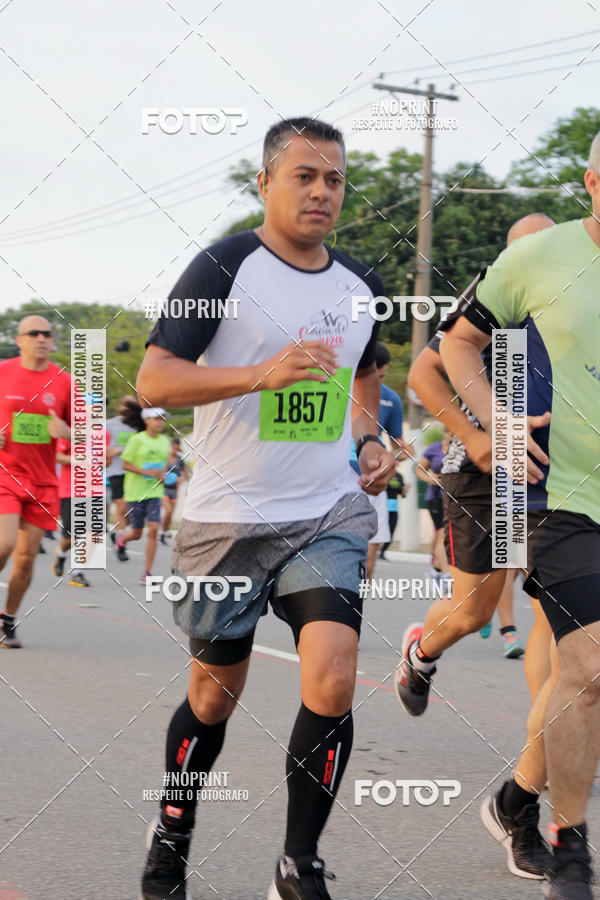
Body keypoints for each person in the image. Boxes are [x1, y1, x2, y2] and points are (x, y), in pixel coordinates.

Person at [137, 116, 395, 900]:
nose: (322, 193)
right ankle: (174, 826)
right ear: (267, 183)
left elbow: (366, 374)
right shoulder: (223, 266)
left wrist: (371, 437)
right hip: (225, 519)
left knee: (335, 676)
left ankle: (299, 861)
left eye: (335, 180)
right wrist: (259, 374)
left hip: (324, 514)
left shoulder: (360, 285)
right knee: (214, 694)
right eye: (304, 177)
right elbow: (155, 382)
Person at [439, 140, 600, 899]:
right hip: (553, 494)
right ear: (591, 180)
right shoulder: (538, 259)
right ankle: (571, 845)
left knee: (576, 669)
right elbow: (452, 346)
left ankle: (515, 800)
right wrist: (489, 426)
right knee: (586, 665)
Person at [400, 213, 556, 882]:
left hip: (557, 483)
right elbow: (424, 372)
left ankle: (532, 791)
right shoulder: (491, 297)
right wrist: (484, 433)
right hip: (484, 474)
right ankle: (422, 649)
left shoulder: (578, 294)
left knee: (570, 649)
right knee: (473, 611)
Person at [0, 316, 72, 648]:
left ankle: (7, 619)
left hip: (43, 483)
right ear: (20, 339)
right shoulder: (3, 372)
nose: (42, 338)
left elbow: (87, 436)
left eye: (47, 333)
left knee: (26, 559)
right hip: (6, 473)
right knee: (4, 543)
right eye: (34, 333)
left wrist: (68, 432)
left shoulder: (64, 382)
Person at [349, 341, 407, 580]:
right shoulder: (335, 387)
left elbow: (399, 447)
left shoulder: (392, 400)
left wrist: (399, 455)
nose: (378, 381)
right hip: (339, 478)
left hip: (374, 480)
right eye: (374, 374)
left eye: (381, 376)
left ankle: (352, 612)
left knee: (370, 556)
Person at [114, 405, 170, 584]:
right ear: (146, 420)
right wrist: (147, 473)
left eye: (162, 418)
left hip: (155, 491)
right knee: (137, 533)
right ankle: (122, 539)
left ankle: (147, 573)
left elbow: (162, 464)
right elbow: (125, 464)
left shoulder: (165, 441)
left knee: (153, 528)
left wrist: (162, 475)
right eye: (156, 418)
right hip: (136, 493)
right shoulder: (136, 440)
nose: (160, 422)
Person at [416, 428, 451, 587]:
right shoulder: (435, 449)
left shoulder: (461, 448)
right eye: (448, 432)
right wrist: (429, 478)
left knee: (444, 535)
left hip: (454, 500)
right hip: (435, 498)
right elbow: (419, 469)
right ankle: (446, 575)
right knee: (443, 533)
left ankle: (436, 569)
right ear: (444, 433)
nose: (451, 435)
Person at [106, 395, 137, 539]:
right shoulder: (109, 425)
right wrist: (108, 451)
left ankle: (117, 532)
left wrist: (122, 451)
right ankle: (120, 541)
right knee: (122, 506)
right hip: (115, 471)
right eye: (126, 404)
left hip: (133, 472)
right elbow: (101, 445)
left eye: (132, 405)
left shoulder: (138, 426)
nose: (128, 408)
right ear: (120, 407)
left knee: (129, 511)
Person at [159, 437, 187, 544]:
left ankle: (163, 532)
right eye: (173, 448)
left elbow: (184, 473)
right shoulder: (164, 458)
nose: (175, 450)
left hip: (174, 489)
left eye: (177, 448)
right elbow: (159, 470)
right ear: (170, 447)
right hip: (164, 488)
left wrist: (181, 479)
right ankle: (163, 531)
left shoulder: (180, 460)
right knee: (168, 510)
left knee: (170, 514)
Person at [379, 471, 408, 560]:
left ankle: (382, 552)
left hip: (393, 507)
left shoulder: (399, 476)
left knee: (391, 530)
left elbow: (402, 494)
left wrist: (405, 491)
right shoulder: (383, 473)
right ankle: (373, 549)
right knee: (379, 530)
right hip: (382, 506)